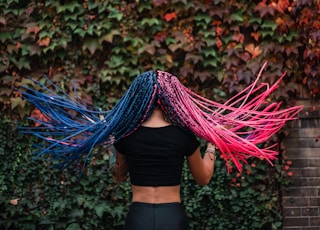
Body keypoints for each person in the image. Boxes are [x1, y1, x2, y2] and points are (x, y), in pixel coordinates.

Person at [20, 63, 303, 229]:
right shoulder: (183, 137)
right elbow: (203, 179)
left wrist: (112, 147)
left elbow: (119, 177)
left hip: (138, 216)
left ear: (137, 99)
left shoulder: (125, 136)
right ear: (172, 99)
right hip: (173, 217)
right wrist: (213, 145)